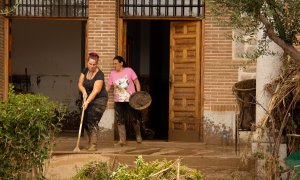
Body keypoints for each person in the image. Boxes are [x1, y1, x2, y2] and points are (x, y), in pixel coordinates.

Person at [106, 55, 142, 146]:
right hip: (118, 101)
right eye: (113, 64)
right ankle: (122, 140)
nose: (114, 65)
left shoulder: (129, 70)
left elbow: (136, 82)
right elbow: (108, 86)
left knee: (134, 118)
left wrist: (138, 94)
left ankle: (138, 135)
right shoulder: (112, 74)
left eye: (116, 63)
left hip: (130, 100)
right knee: (120, 120)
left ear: (121, 63)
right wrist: (99, 93)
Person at [78, 52, 108, 151]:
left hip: (100, 99)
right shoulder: (85, 70)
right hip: (87, 97)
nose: (92, 66)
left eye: (94, 64)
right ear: (87, 62)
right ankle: (89, 142)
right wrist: (83, 92)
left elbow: (96, 91)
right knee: (85, 119)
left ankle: (93, 145)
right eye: (90, 64)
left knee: (92, 119)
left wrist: (87, 102)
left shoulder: (100, 75)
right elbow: (80, 83)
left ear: (97, 64)